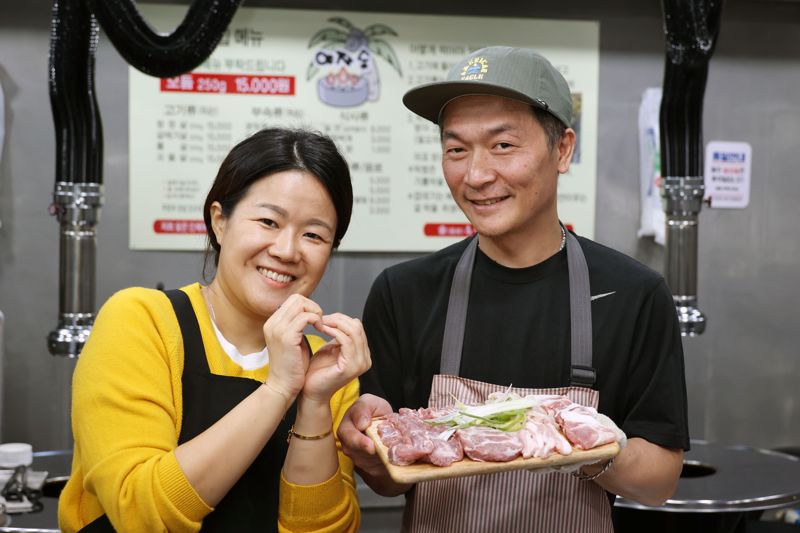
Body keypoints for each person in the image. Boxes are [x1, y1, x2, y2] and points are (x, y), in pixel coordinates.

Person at [337, 46, 689, 532]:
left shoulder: (633, 294)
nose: (476, 175)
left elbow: (659, 482)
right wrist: (372, 452)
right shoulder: (404, 292)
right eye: (456, 149)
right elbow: (390, 482)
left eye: (503, 145)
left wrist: (580, 447)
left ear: (562, 149)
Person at [58, 128, 371, 532]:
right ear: (219, 221)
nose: (288, 250)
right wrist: (277, 389)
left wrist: (312, 401)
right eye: (268, 221)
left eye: (314, 234)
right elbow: (138, 512)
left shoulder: (326, 372)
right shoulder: (142, 320)